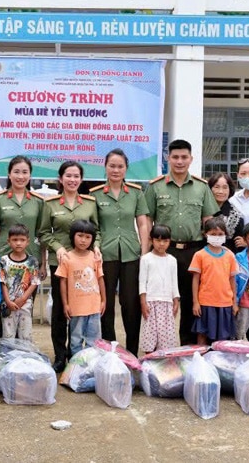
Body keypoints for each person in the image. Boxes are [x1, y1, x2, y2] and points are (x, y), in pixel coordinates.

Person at [146, 139, 220, 346]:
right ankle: (162, 347)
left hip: (193, 251)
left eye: (184, 157)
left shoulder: (202, 187)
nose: (180, 161)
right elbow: (146, 220)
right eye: (175, 157)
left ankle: (187, 347)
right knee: (161, 300)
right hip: (163, 252)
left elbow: (208, 221)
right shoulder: (155, 187)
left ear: (191, 159)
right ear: (168, 158)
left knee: (189, 301)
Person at [40, 161, 100, 371]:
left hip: (85, 265)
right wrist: (57, 247)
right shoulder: (51, 204)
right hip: (62, 263)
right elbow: (44, 233)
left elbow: (97, 231)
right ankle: (60, 355)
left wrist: (97, 247)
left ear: (81, 179)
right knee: (60, 311)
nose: (72, 180)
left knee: (83, 308)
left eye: (76, 176)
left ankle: (83, 355)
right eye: (68, 176)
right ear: (60, 179)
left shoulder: (90, 203)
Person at [90, 148, 150, 355]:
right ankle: (110, 349)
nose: (116, 170)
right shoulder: (94, 195)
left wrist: (144, 252)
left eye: (120, 166)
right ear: (105, 167)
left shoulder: (135, 193)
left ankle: (132, 351)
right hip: (104, 255)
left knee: (130, 303)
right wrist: (95, 246)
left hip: (131, 253)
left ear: (126, 168)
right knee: (105, 303)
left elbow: (143, 223)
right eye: (112, 166)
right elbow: (93, 226)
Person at [0, 155, 46, 340]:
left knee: (25, 308)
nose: (21, 176)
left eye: (25, 172)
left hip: (30, 263)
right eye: (16, 172)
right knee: (4, 308)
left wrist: (43, 263)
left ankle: (23, 352)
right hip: (4, 262)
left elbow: (42, 234)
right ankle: (3, 350)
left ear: (30, 175)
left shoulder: (38, 201)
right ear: (9, 174)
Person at [55, 220, 106, 355]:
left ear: (92, 239)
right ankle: (75, 367)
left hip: (94, 307)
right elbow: (63, 282)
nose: (83, 240)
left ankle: (91, 366)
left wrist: (103, 301)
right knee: (75, 340)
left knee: (94, 340)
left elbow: (100, 279)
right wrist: (65, 304)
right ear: (73, 236)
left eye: (88, 237)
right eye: (80, 236)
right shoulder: (67, 258)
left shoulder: (95, 258)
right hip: (76, 308)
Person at [189, 217, 238, 345]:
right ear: (205, 235)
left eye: (220, 234)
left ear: (226, 235)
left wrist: (234, 303)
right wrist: (196, 302)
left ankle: (220, 362)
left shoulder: (230, 256)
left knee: (223, 338)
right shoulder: (200, 255)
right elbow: (195, 280)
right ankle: (200, 361)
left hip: (225, 302)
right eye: (213, 234)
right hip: (206, 302)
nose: (217, 237)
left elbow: (232, 280)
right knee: (203, 334)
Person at [138, 224, 180, 353]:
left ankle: (164, 367)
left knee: (166, 339)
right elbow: (142, 282)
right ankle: (149, 365)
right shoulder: (146, 259)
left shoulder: (172, 260)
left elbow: (174, 282)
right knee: (150, 337)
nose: (161, 244)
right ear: (151, 240)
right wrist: (143, 302)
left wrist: (176, 300)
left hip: (167, 303)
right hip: (151, 303)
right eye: (158, 240)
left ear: (169, 241)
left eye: (165, 241)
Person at [0, 224, 41, 342]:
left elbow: (34, 282)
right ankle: (7, 358)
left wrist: (23, 299)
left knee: (25, 334)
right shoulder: (3, 261)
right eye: (15, 240)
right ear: (8, 241)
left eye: (22, 240)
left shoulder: (32, 261)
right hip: (8, 304)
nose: (18, 243)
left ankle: (25, 358)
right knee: (8, 335)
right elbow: (3, 282)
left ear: (27, 242)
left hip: (26, 304)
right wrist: (8, 301)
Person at [208, 172, 243, 252]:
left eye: (225, 187)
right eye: (216, 187)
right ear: (209, 189)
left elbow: (239, 246)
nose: (221, 191)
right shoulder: (201, 211)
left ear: (230, 190)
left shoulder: (236, 216)